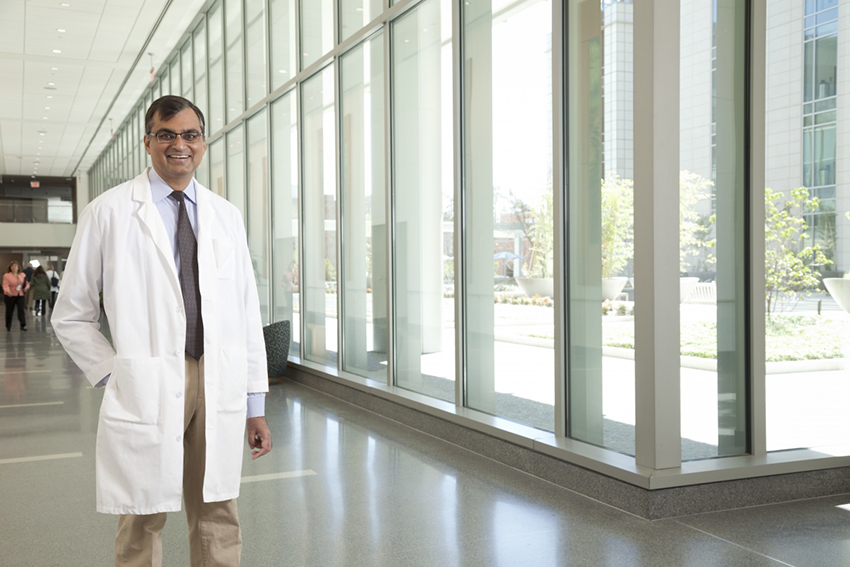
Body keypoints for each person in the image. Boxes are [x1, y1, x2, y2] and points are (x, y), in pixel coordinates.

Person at [52, 95, 271, 567]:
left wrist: (255, 406)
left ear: (203, 143)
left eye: (190, 135)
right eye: (167, 134)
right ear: (148, 141)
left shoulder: (225, 217)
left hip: (217, 378)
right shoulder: (107, 213)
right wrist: (115, 373)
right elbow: (70, 313)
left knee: (218, 508)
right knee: (141, 513)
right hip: (147, 379)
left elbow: (246, 313)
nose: (179, 145)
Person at [3, 262, 28, 332]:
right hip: (10, 295)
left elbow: (26, 283)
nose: (14, 268)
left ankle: (23, 325)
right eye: (12, 266)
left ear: (18, 267)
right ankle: (8, 326)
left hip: (20, 295)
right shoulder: (7, 275)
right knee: (9, 311)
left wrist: (26, 287)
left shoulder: (22, 275)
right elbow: (5, 284)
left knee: (21, 310)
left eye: (15, 266)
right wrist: (7, 291)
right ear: (10, 268)